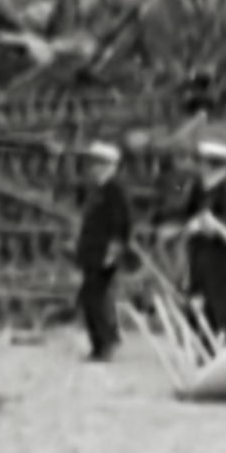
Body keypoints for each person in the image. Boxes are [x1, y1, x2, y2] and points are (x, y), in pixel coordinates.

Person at [176, 137, 226, 343]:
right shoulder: (199, 187)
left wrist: (205, 225)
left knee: (217, 297)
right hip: (198, 248)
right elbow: (186, 211)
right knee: (197, 294)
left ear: (212, 165)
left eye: (203, 162)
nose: (200, 167)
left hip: (218, 252)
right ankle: (202, 340)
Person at [72, 141, 133, 362]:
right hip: (92, 252)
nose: (93, 168)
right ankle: (104, 341)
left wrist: (113, 253)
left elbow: (121, 224)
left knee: (94, 298)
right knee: (93, 297)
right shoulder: (99, 189)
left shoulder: (114, 190)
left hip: (103, 254)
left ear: (110, 165)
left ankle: (104, 344)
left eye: (99, 164)